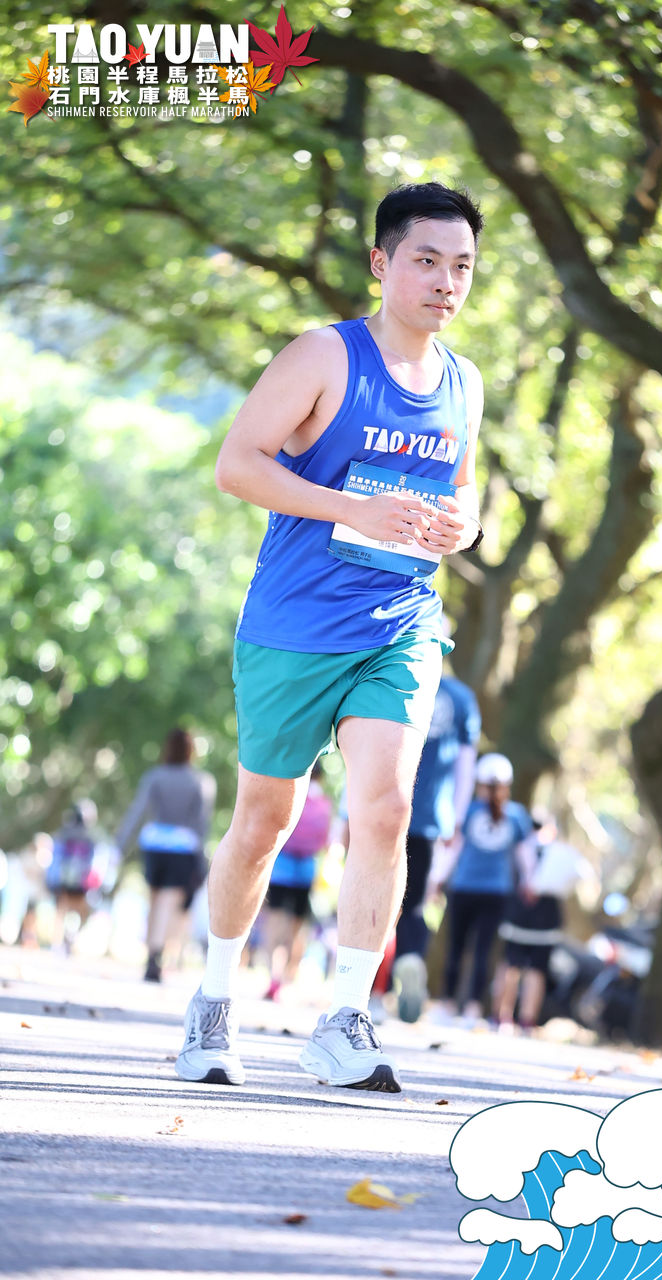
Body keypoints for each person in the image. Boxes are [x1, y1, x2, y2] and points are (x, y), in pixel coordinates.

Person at [175, 182, 485, 1094]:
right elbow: (237, 465)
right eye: (425, 261)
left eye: (461, 266)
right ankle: (213, 999)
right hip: (295, 626)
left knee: (385, 808)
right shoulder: (323, 355)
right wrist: (352, 508)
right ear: (382, 263)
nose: (444, 281)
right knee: (263, 824)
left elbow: (465, 492)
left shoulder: (464, 382)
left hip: (400, 621)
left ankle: (346, 1017)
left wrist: (461, 528)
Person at [391, 671, 481, 1023]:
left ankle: (368, 991)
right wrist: (456, 819)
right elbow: (465, 765)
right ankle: (410, 956)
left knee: (378, 895)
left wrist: (347, 813)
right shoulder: (462, 698)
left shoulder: (395, 672)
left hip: (385, 806)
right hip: (431, 817)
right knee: (414, 903)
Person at [438, 753, 535, 1021]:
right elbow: (525, 855)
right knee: (482, 951)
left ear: (479, 783)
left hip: (464, 888)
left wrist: (437, 880)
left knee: (456, 947)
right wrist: (529, 882)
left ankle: (447, 1003)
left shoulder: (468, 811)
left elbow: (452, 850)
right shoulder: (517, 815)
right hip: (496, 892)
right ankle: (472, 1007)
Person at [116, 728, 217, 982]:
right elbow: (202, 823)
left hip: (153, 845)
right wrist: (202, 856)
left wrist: (120, 845)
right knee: (168, 903)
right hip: (182, 848)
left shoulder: (155, 776)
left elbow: (137, 811)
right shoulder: (200, 781)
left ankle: (152, 951)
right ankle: (156, 954)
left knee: (154, 900)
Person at [494, 808, 593, 1032]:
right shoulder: (560, 852)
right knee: (534, 970)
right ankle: (526, 1020)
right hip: (544, 915)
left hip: (520, 912)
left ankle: (501, 1018)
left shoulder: (519, 847)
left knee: (511, 965)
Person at [261, 764, 333, 1000]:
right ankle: (287, 978)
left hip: (281, 868)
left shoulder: (290, 793)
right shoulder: (324, 805)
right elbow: (324, 842)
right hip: (305, 871)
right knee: (297, 928)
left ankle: (273, 976)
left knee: (274, 923)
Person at [46, 800, 119, 953]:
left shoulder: (65, 833)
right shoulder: (93, 837)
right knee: (78, 911)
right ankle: (66, 940)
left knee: (63, 910)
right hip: (80, 882)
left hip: (68, 880)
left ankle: (60, 942)